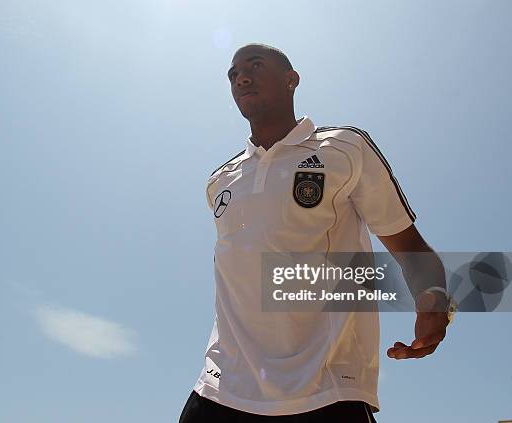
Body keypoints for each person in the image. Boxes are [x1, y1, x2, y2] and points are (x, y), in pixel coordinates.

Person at [179, 43, 453, 422]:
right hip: (222, 387)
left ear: (292, 80)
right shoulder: (220, 180)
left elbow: (408, 245)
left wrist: (435, 300)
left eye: (255, 65)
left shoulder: (345, 147)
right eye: (233, 73)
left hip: (327, 390)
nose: (240, 77)